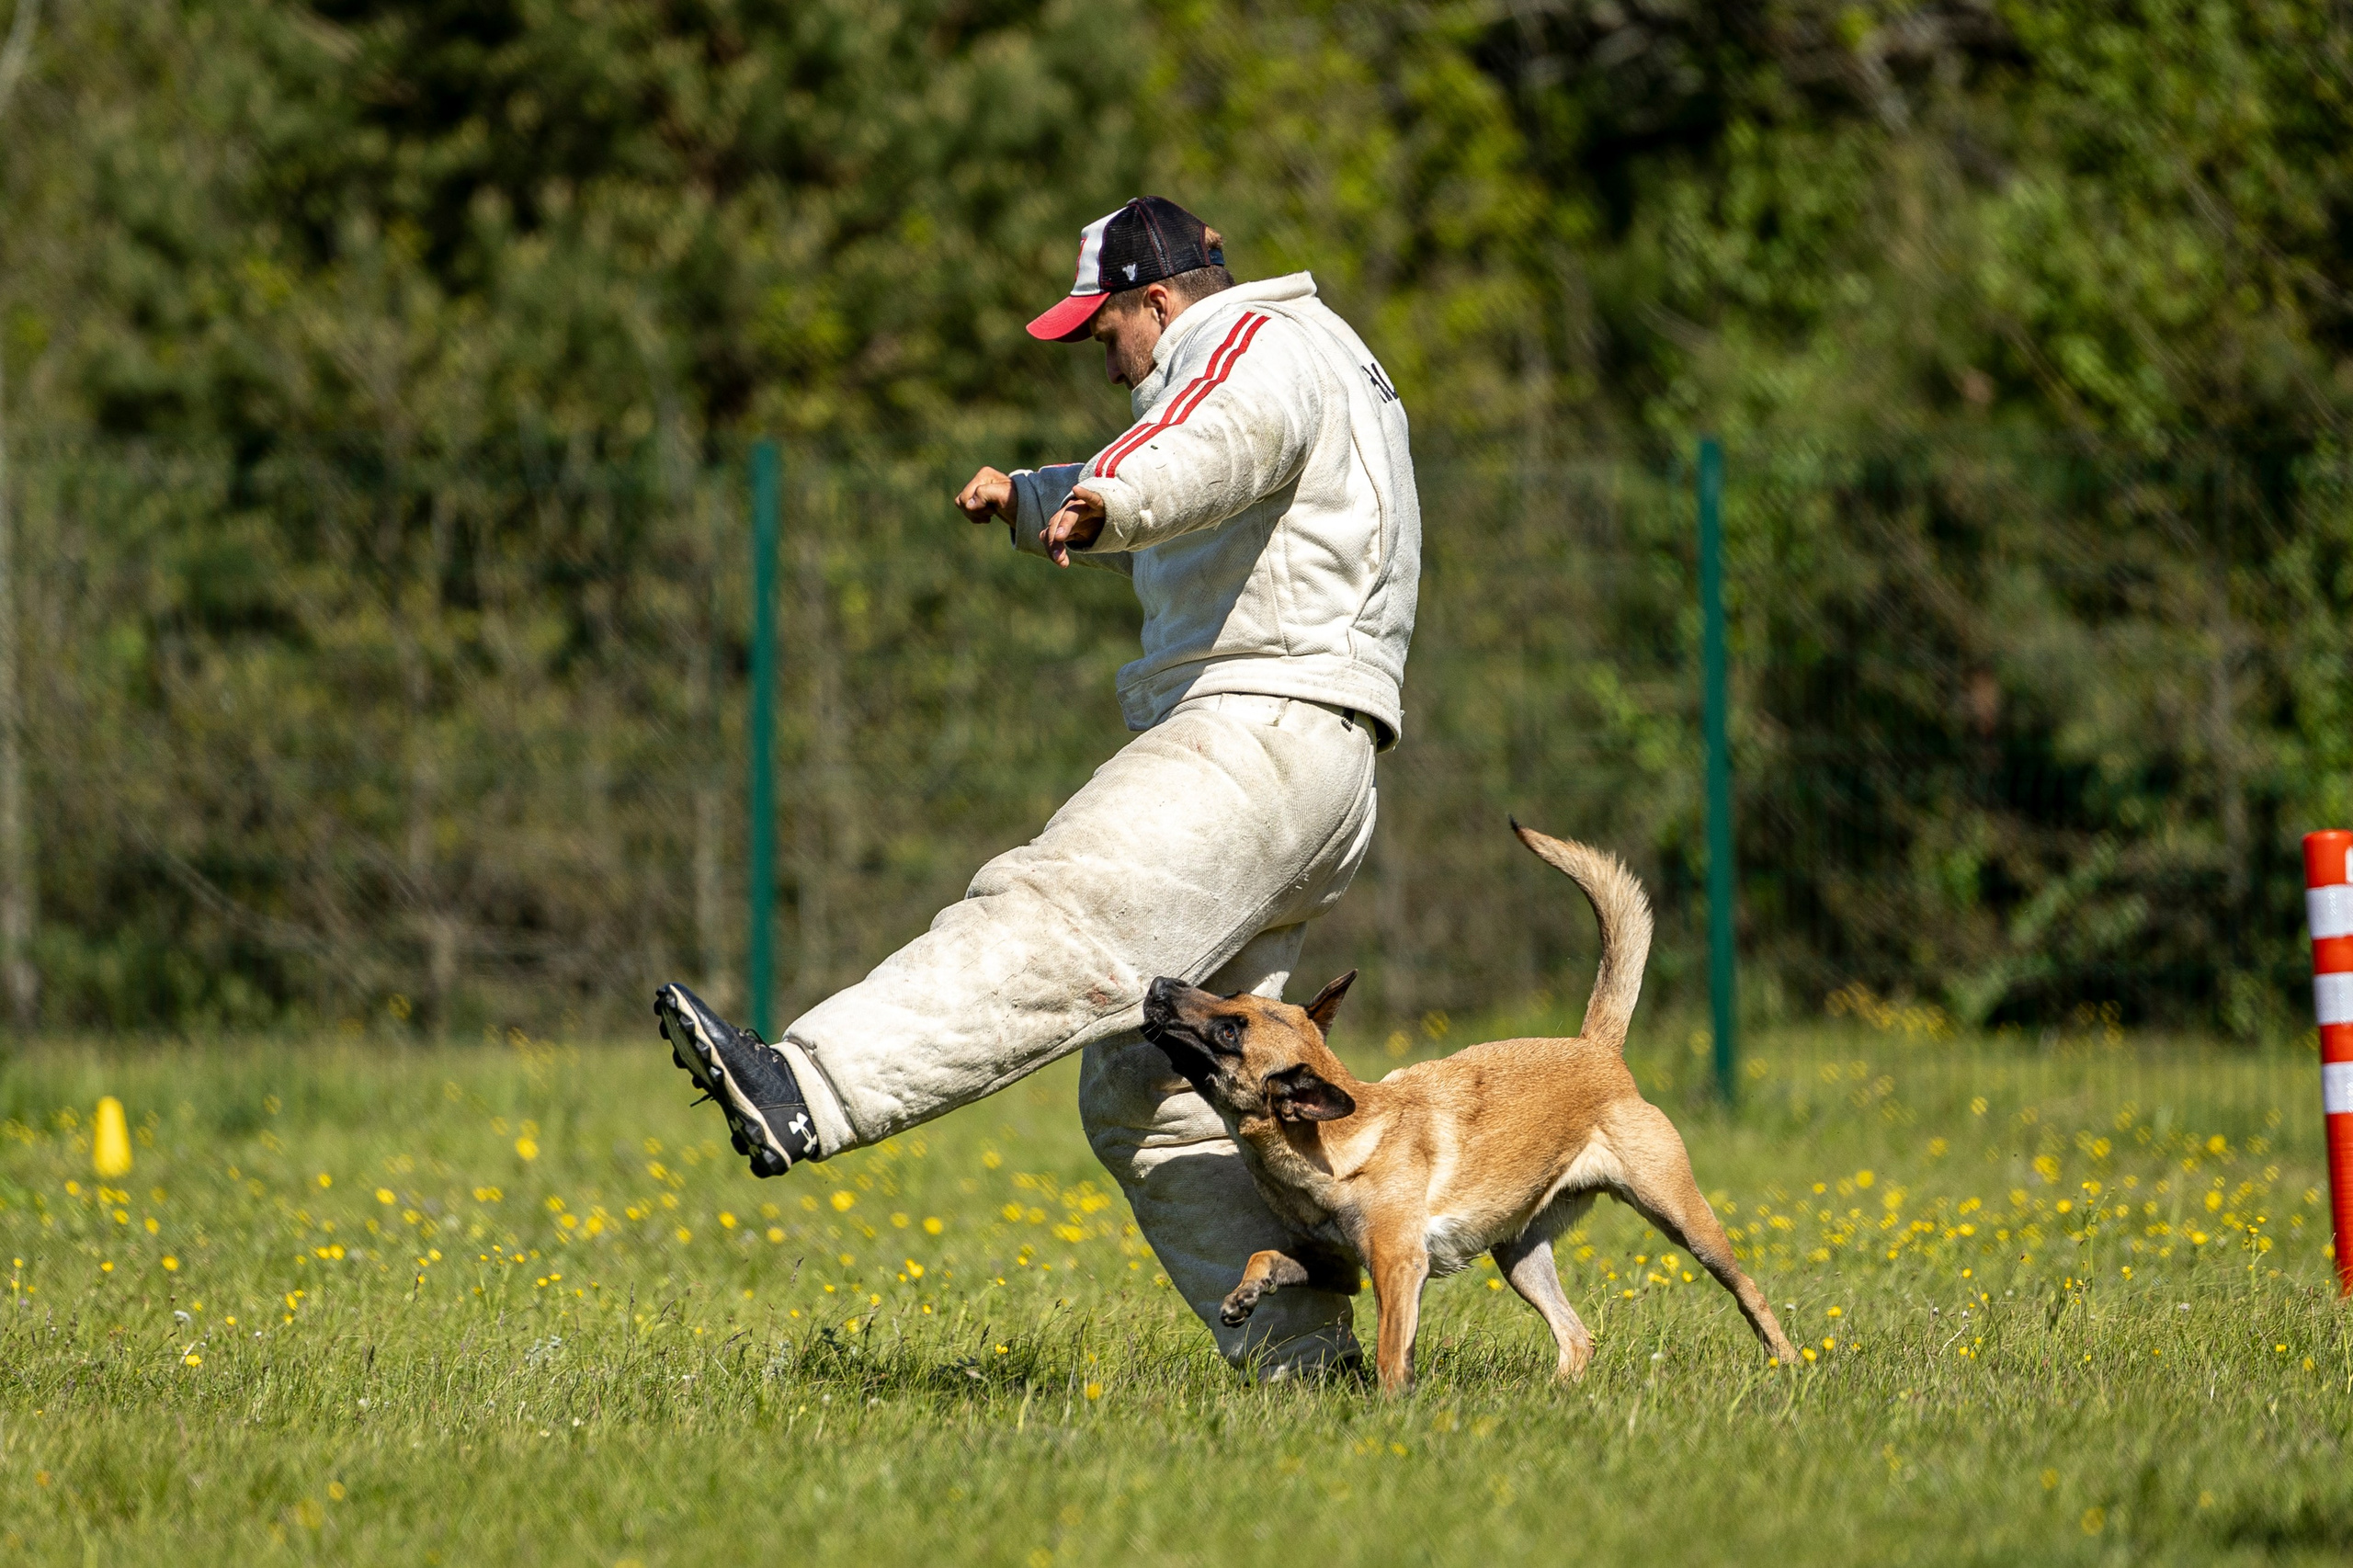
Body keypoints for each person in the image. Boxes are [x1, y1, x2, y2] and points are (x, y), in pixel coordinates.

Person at [655, 196, 1421, 1376]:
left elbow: (1209, 439)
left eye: (1099, 331)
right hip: (1327, 758)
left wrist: (1109, 494)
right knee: (1157, 1080)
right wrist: (1032, 494)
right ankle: (1308, 1366)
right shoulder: (1332, 354)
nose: (1099, 359)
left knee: (1058, 912)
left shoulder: (1247, 345)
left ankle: (807, 1084)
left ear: (1156, 301)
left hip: (1256, 731)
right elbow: (1215, 453)